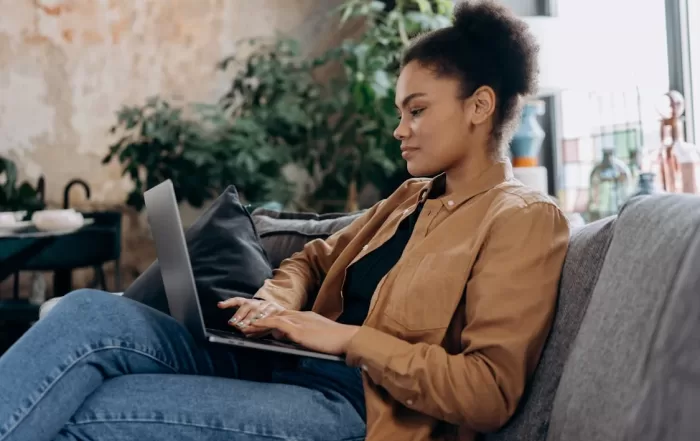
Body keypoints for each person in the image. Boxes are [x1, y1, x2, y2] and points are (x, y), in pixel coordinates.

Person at [0, 1, 569, 440]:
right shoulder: (408, 200)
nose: (400, 130)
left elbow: (489, 391)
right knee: (83, 313)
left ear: (479, 106)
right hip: (278, 366)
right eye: (400, 113)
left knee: (86, 410)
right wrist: (277, 303)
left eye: (416, 110)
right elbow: (312, 257)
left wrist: (344, 337)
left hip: (348, 411)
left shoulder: (521, 220)